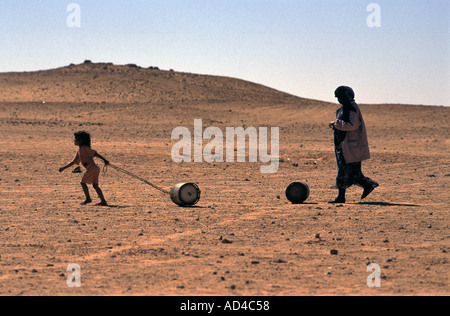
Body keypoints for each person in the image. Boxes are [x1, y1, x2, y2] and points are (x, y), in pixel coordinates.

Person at [328, 86, 379, 203]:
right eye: (338, 98)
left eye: (341, 97)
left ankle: (342, 197)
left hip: (350, 146)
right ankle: (366, 186)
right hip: (343, 145)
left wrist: (336, 124)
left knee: (346, 171)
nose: (339, 100)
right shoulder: (343, 109)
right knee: (348, 171)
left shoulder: (351, 108)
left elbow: (352, 125)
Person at [59, 131, 110, 206]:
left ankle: (88, 199)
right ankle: (103, 201)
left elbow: (95, 154)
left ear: (81, 140)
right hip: (94, 168)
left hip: (92, 168)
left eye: (76, 139)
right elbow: (74, 161)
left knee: (83, 183)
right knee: (95, 185)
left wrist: (104, 160)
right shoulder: (79, 151)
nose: (74, 141)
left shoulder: (85, 148)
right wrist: (64, 168)